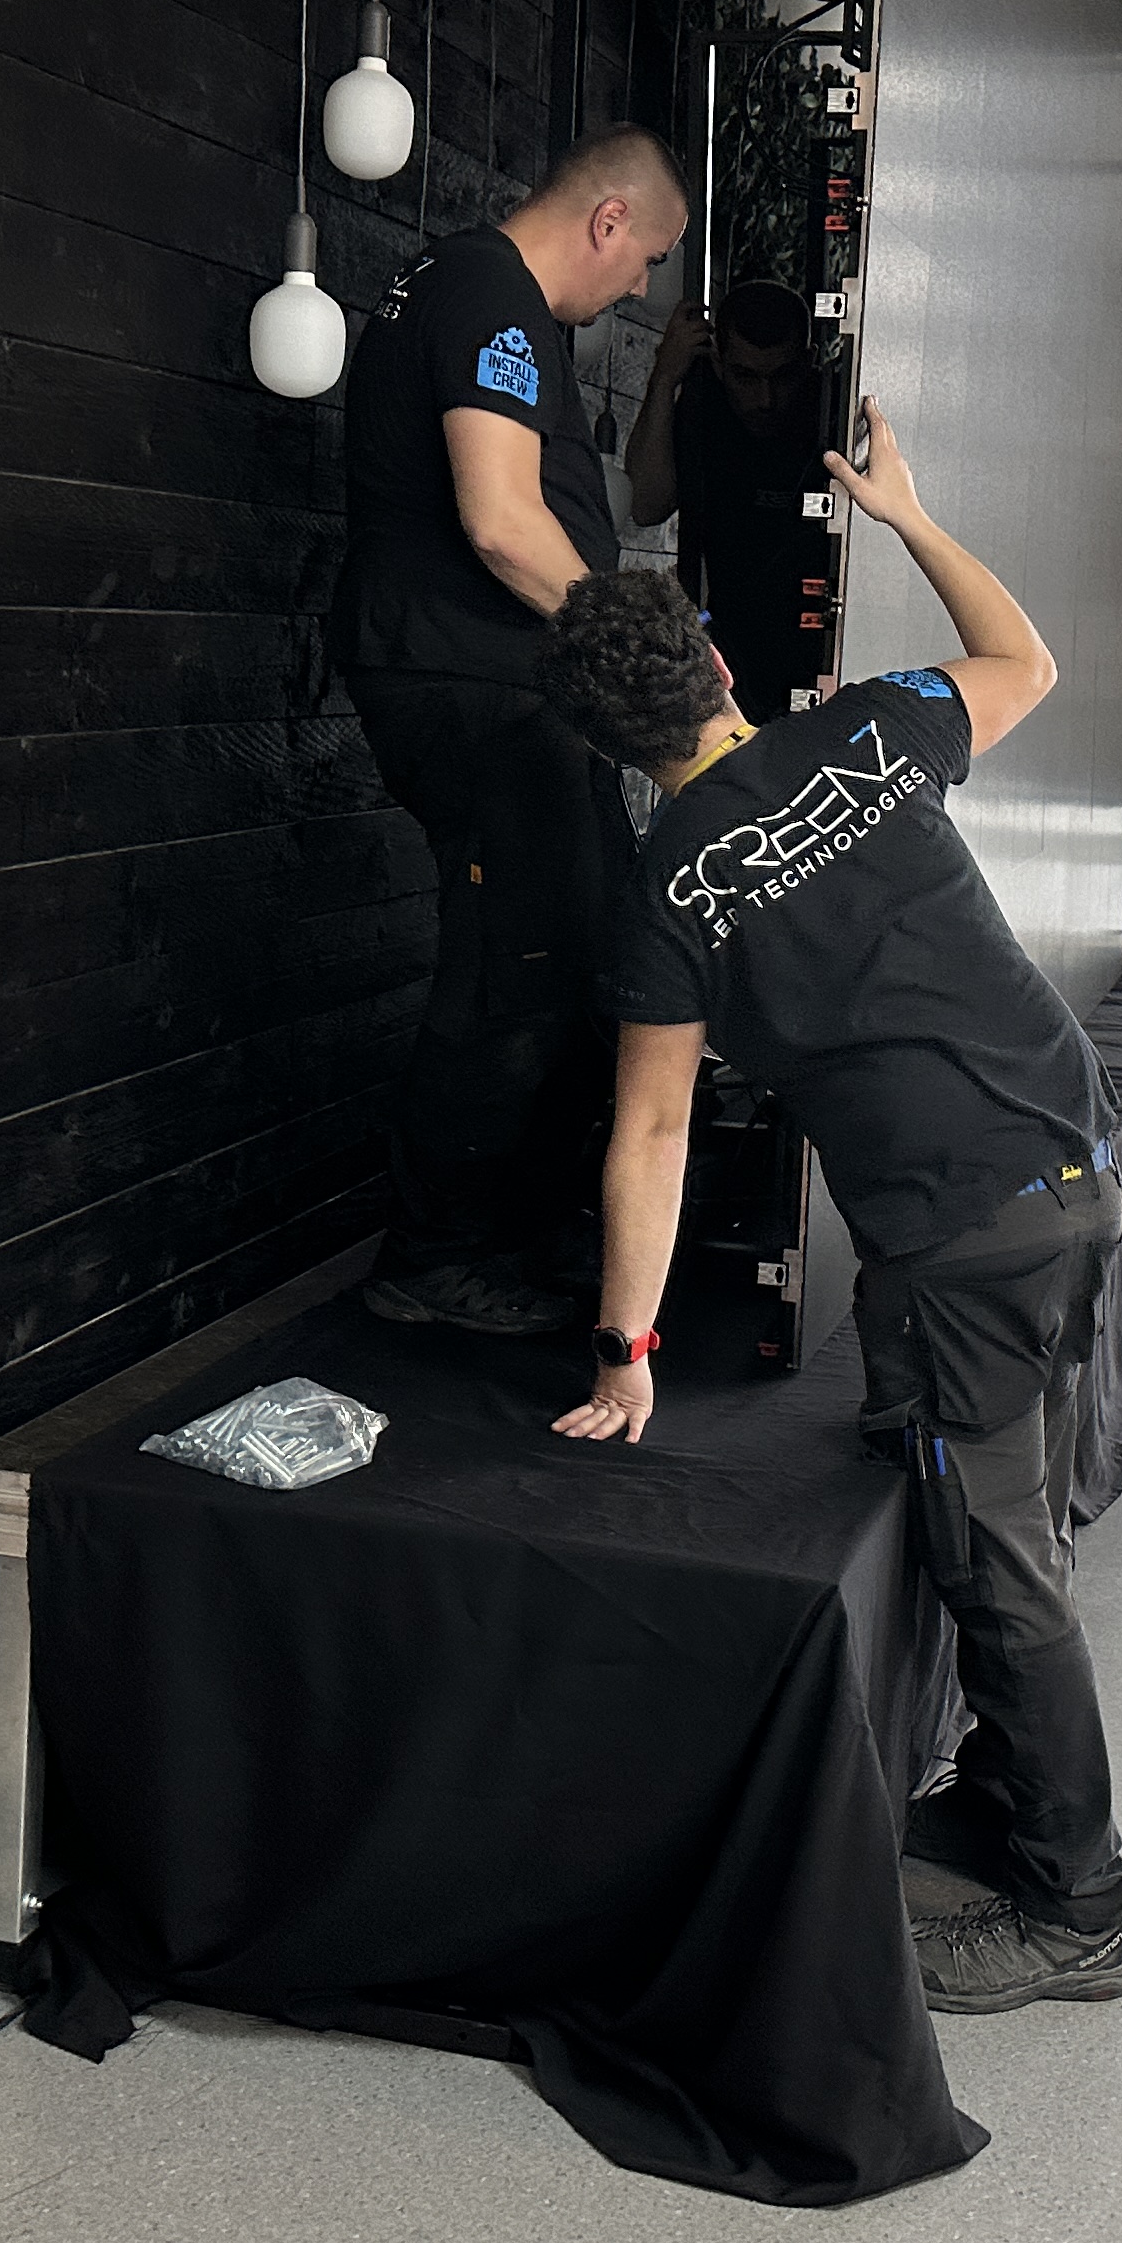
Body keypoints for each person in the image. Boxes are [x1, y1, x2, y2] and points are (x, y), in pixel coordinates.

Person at [531, 404, 1122, 2019]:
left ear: (611, 751)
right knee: (998, 1504)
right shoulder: (867, 732)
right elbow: (1024, 660)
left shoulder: (669, 887)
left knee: (999, 1566)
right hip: (1075, 1162)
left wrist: (625, 1352)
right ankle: (1002, 1795)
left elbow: (651, 1132)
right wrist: (907, 516)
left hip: (963, 1232)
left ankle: (1077, 1909)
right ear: (720, 665)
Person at [326, 123, 689, 1339]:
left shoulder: (482, 295)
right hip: (467, 685)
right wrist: (645, 654)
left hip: (513, 688)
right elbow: (500, 521)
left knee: (586, 952)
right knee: (514, 971)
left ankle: (526, 1236)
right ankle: (433, 1261)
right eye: (646, 261)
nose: (635, 289)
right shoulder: (488, 297)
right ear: (608, 221)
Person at [621, 277, 835, 710]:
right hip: (729, 642)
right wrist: (665, 378)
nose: (765, 399)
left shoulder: (831, 413)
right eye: (745, 377)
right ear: (719, 365)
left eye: (782, 376)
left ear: (808, 363)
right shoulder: (704, 407)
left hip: (822, 641)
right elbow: (645, 505)